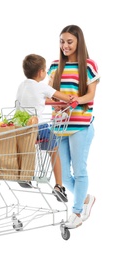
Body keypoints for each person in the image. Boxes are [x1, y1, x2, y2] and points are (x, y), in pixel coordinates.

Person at [47, 25, 100, 228]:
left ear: (78, 42)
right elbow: (49, 90)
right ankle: (86, 198)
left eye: (69, 41)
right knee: (64, 175)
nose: (65, 45)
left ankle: (76, 213)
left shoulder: (88, 65)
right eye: (62, 41)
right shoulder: (54, 66)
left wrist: (75, 101)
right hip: (59, 126)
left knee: (79, 171)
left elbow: (90, 95)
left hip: (80, 125)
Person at [16, 53, 73, 202]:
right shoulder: (42, 86)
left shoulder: (22, 86)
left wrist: (54, 103)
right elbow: (64, 98)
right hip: (38, 128)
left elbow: (38, 100)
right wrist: (72, 100)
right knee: (54, 151)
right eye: (45, 70)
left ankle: (24, 175)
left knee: (27, 148)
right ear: (41, 72)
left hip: (20, 129)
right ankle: (59, 186)